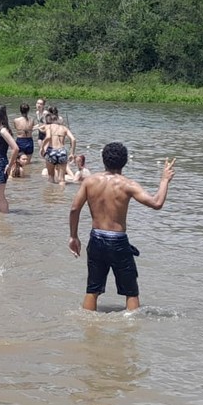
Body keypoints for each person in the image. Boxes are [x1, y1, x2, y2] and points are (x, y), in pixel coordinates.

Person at [69, 144, 175, 313]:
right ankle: (130, 331)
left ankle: (88, 328)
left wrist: (73, 236)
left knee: (92, 289)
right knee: (131, 291)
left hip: (96, 238)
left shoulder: (90, 182)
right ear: (124, 162)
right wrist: (164, 180)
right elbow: (156, 203)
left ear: (103, 159)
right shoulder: (128, 185)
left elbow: (74, 209)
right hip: (118, 241)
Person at [40, 111, 76, 185]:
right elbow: (73, 139)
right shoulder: (64, 128)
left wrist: (42, 147)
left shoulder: (48, 126)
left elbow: (48, 137)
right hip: (62, 151)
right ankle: (61, 196)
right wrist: (72, 153)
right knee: (62, 179)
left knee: (51, 177)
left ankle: (52, 195)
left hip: (51, 151)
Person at [12, 103, 35, 172]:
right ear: (28, 111)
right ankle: (26, 175)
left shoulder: (16, 120)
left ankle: (19, 174)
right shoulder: (32, 120)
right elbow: (32, 127)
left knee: (18, 161)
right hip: (29, 140)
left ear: (20, 110)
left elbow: (16, 128)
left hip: (20, 141)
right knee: (27, 162)